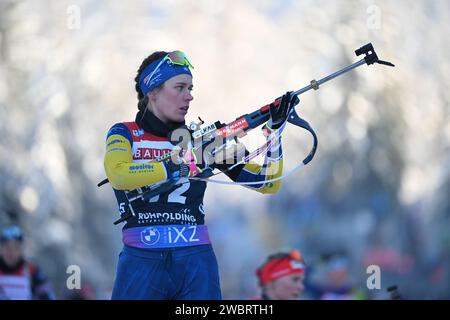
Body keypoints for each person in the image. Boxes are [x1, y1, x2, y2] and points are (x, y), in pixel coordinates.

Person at [103, 50, 299, 300]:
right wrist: (177, 164)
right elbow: (118, 175)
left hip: (195, 260)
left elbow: (268, 183)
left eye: (191, 88)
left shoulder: (203, 141)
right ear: (152, 91)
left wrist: (275, 134)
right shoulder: (124, 133)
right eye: (180, 87)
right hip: (142, 259)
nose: (190, 96)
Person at [0, 225, 55, 300]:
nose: (11, 252)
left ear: (22, 249)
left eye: (16, 247)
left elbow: (48, 294)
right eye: (7, 247)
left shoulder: (32, 270)